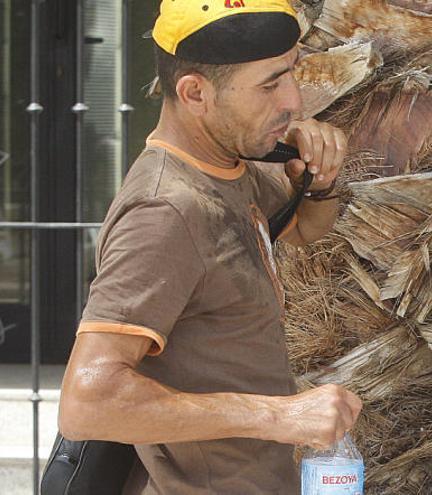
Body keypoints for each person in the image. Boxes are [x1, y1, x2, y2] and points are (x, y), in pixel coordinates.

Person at [57, 1, 362, 493]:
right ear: (195, 92)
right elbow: (87, 403)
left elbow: (304, 229)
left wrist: (319, 180)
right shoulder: (166, 212)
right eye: (270, 84)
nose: (294, 101)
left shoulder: (229, 165)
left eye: (292, 73)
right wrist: (280, 415)